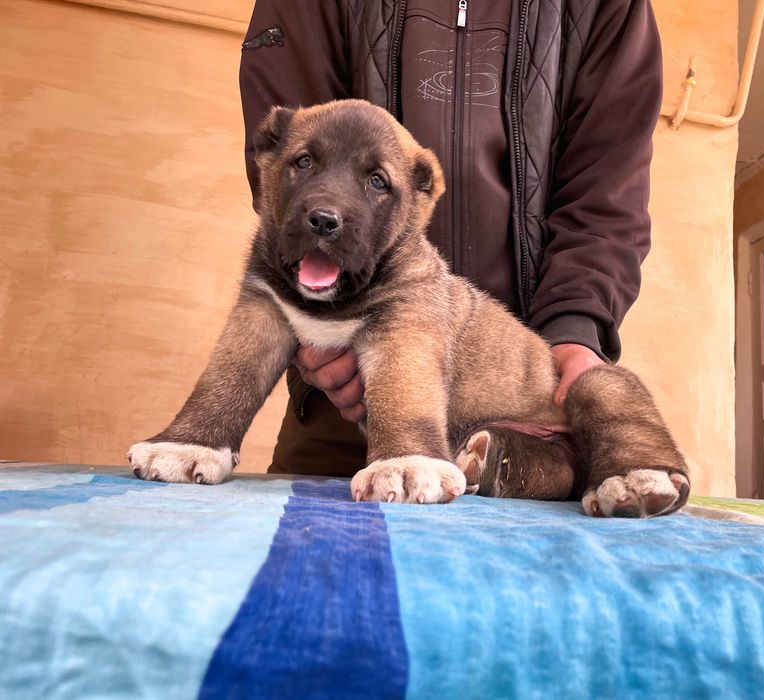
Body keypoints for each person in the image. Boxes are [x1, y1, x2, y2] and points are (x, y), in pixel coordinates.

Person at [238, 0, 663, 477]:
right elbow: (288, 160)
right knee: (316, 545)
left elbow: (606, 189)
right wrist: (319, 329)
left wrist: (576, 331)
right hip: (343, 400)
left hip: (525, 394)